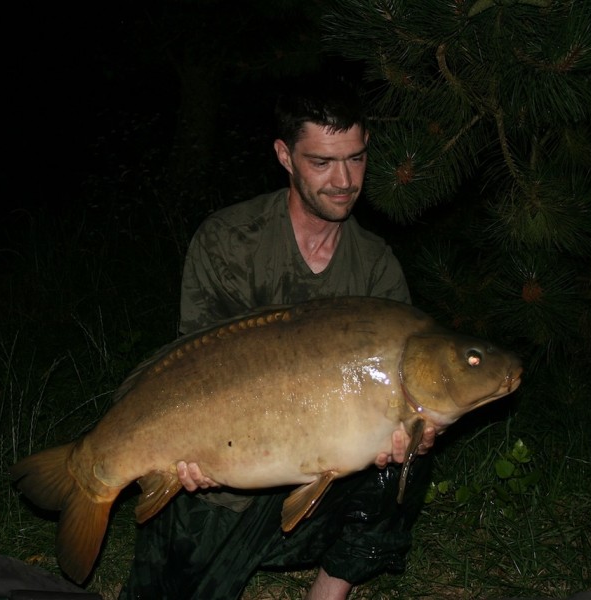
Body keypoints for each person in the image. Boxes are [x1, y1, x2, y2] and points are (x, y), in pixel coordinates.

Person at [119, 76, 437, 600]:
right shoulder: (228, 241)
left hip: (323, 482)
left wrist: (408, 436)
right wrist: (185, 460)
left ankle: (330, 589)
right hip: (227, 483)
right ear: (285, 156)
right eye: (322, 162)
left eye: (355, 159)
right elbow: (191, 370)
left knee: (416, 436)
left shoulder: (376, 267)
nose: (344, 180)